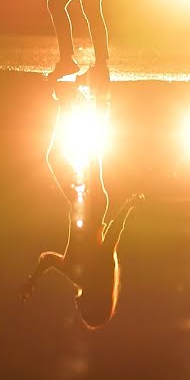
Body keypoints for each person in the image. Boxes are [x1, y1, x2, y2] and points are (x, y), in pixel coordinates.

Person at [21, 88, 144, 328]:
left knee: (67, 155)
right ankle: (93, 102)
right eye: (83, 308)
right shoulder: (93, 272)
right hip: (94, 204)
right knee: (86, 154)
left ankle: (74, 103)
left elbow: (47, 259)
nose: (76, 305)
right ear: (94, 302)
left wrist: (32, 281)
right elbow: (112, 237)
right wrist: (128, 207)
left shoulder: (77, 275)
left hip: (80, 202)